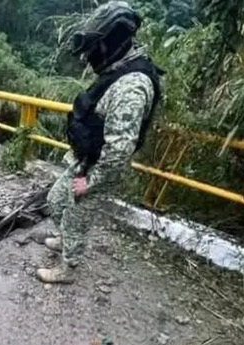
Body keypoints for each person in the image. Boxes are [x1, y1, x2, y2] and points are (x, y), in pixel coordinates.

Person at [36, 1, 163, 284]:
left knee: (76, 218)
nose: (89, 59)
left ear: (110, 44)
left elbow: (119, 151)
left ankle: (68, 269)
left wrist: (90, 182)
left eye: (93, 51)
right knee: (55, 201)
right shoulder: (119, 69)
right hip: (85, 160)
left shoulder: (132, 86)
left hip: (97, 170)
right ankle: (65, 239)